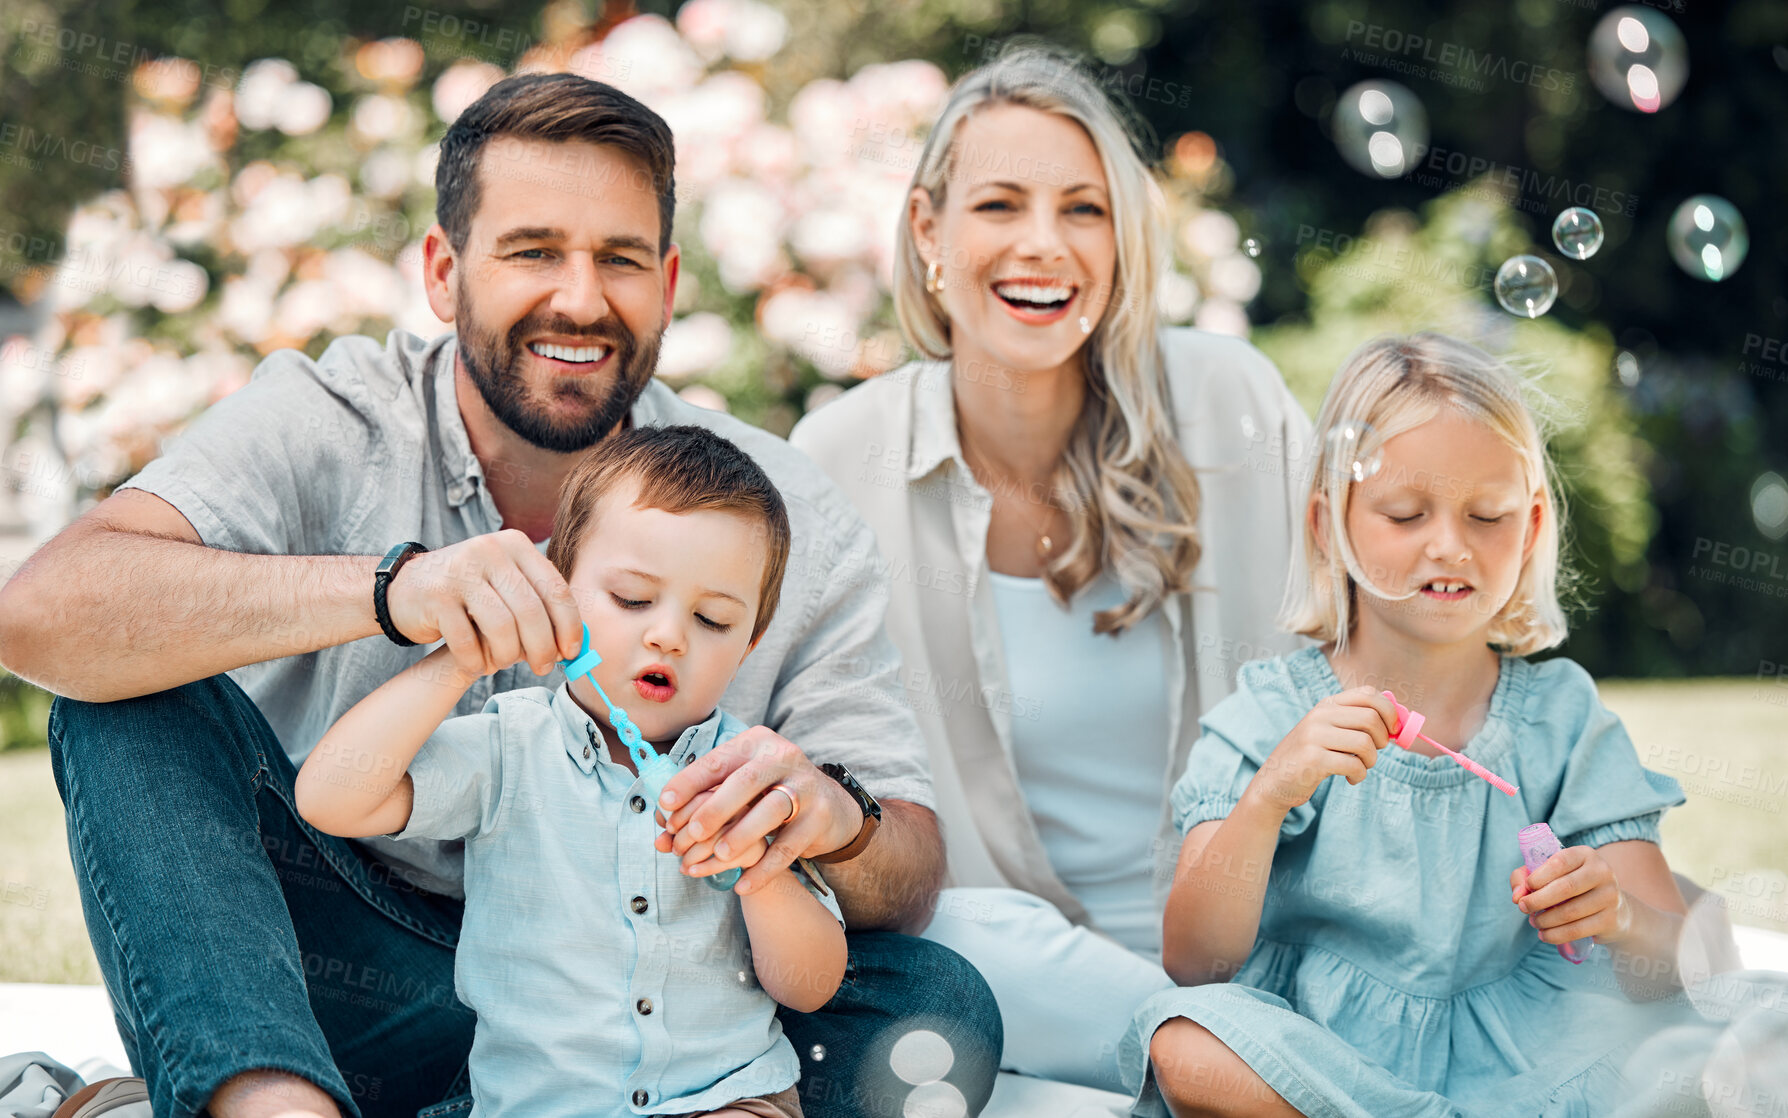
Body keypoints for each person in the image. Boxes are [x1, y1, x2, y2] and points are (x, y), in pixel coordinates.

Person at [0, 73, 1000, 1118]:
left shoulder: (780, 511)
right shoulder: (331, 417)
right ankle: (272, 1103)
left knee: (936, 1009)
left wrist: (824, 815)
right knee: (123, 693)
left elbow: (908, 866)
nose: (579, 298)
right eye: (532, 251)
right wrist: (395, 592)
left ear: (665, 284)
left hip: (644, 997)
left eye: (618, 259)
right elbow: (44, 612)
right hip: (334, 971)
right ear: (444, 271)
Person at [788, 46, 1312, 1092]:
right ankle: (1242, 1071)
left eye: (1084, 209)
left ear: (1122, 240)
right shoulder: (838, 459)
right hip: (1010, 969)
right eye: (1000, 205)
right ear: (930, 232)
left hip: (1248, 943)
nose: (1044, 245)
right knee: (955, 936)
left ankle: (1234, 1061)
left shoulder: (1230, 403)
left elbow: (1361, 648)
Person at [1128, 333, 1692, 1117]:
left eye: (1487, 515)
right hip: (1321, 1052)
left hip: (1524, 1051)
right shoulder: (1270, 717)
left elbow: (1677, 962)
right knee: (1183, 1042)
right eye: (1405, 512)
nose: (1450, 545)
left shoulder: (1561, 718)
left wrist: (1619, 916)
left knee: (1696, 1048)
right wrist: (1267, 798)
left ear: (1530, 529)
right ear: (1331, 526)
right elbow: (1194, 961)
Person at [297, 425, 845, 1118]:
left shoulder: (752, 778)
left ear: (750, 643)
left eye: (712, 619)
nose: (669, 634)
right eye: (633, 600)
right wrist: (464, 656)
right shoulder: (510, 748)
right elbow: (329, 799)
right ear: (556, 592)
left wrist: (761, 878)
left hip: (725, 1099)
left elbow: (812, 986)